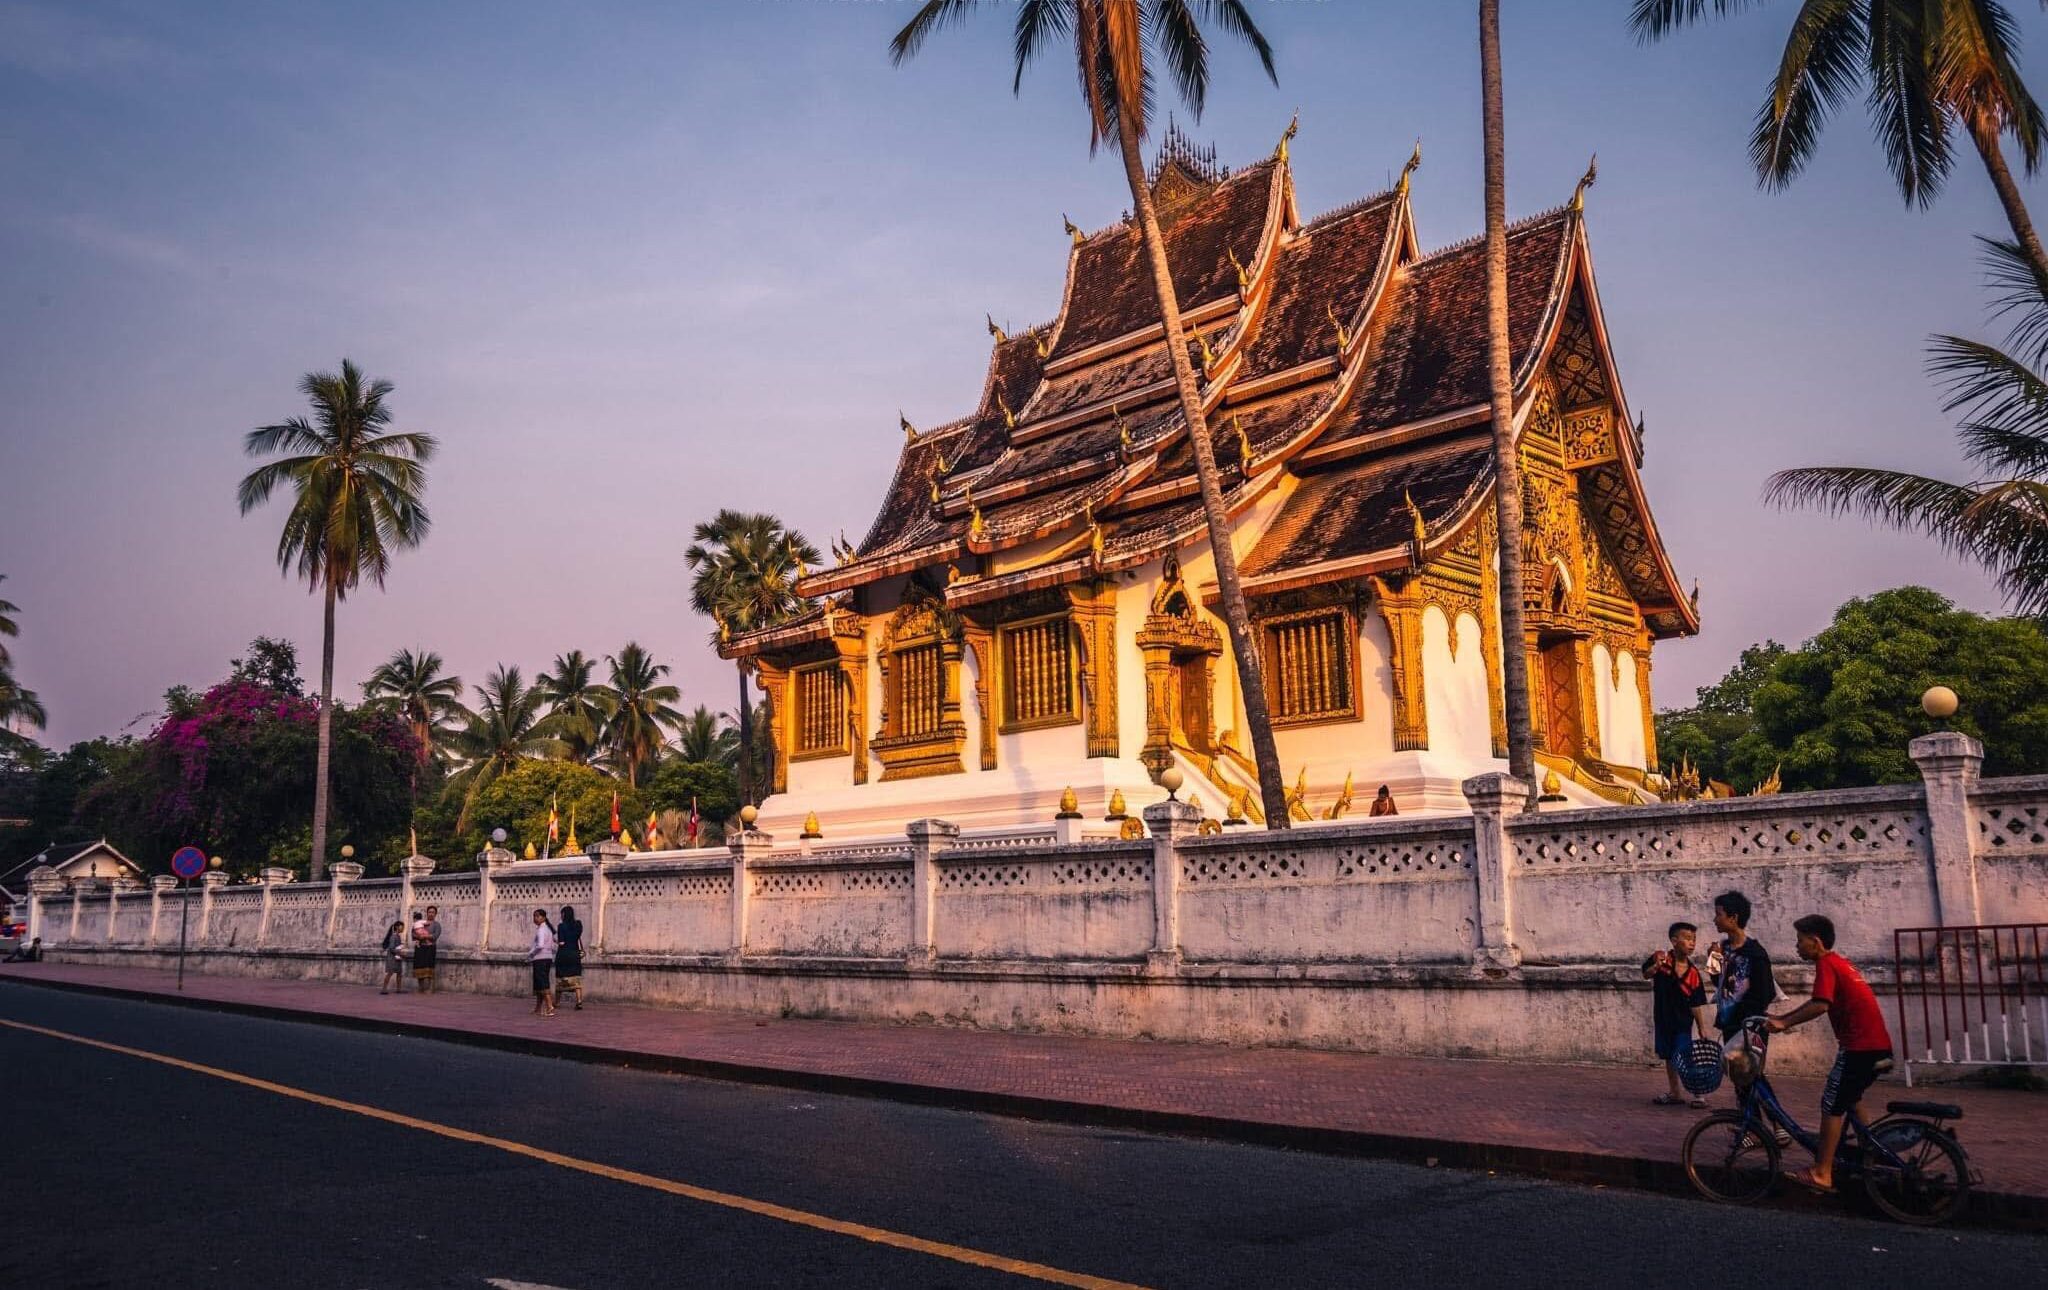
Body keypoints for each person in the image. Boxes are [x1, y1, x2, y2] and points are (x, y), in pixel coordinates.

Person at [1767, 913, 1896, 1194]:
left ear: (1815, 941)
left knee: (1831, 1103)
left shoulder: (1827, 964)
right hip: (1877, 1046)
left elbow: (1820, 1004)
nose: (1796, 946)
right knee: (1851, 1097)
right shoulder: (1842, 963)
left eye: (1800, 941)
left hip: (1859, 1048)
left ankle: (1822, 1172)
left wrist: (1783, 1021)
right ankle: (1869, 1152)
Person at [1642, 920, 1710, 1107]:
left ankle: (1698, 1094)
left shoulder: (1693, 973)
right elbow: (1645, 974)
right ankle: (1675, 1092)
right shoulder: (1661, 959)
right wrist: (1655, 967)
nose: (1692, 943)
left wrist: (1702, 1027)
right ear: (1674, 941)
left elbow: (1695, 1004)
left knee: (1685, 1056)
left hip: (1682, 1023)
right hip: (1663, 1019)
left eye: (1694, 939)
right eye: (1687, 939)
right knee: (1668, 1057)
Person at [1706, 890, 1777, 1040]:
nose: (1715, 920)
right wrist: (1713, 960)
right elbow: (1718, 983)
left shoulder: (1755, 953)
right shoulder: (1722, 948)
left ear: (1733, 918)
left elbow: (1767, 993)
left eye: (1719, 914)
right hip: (1728, 1024)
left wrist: (1745, 1014)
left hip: (1749, 1028)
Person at [552, 905, 585, 1011]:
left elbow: (562, 942)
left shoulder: (561, 926)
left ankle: (556, 1002)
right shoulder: (578, 924)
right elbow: (576, 937)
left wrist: (555, 941)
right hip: (575, 954)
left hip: (563, 955)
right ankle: (579, 1001)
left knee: (560, 979)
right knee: (576, 978)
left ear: (564, 914)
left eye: (561, 914)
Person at [528, 907, 557, 1017]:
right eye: (534, 916)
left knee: (543, 983)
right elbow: (553, 945)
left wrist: (531, 954)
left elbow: (540, 945)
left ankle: (549, 1006)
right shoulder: (548, 929)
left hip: (540, 959)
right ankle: (538, 1008)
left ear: (544, 917)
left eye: (537, 916)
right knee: (540, 984)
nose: (535, 918)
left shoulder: (541, 930)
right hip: (547, 958)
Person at [413, 905, 443, 994]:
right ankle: (420, 987)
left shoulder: (437, 925)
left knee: (429, 967)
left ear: (435, 914)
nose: (431, 914)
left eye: (433, 912)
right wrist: (419, 937)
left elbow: (435, 936)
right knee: (419, 967)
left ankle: (430, 988)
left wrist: (425, 936)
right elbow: (413, 934)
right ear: (427, 913)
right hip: (420, 947)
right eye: (429, 912)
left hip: (430, 948)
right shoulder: (420, 923)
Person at [378, 920, 407, 994]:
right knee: (390, 973)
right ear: (397, 927)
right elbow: (391, 948)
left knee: (399, 973)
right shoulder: (393, 936)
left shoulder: (398, 936)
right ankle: (384, 989)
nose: (403, 928)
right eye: (402, 926)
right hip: (392, 957)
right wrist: (401, 953)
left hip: (397, 957)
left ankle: (399, 989)